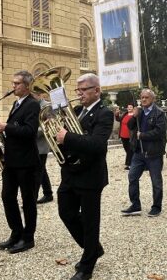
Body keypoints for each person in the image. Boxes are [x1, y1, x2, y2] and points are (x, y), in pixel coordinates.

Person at [55, 73, 113, 280]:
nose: (78, 93)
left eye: (83, 89)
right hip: (70, 172)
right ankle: (94, 248)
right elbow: (59, 128)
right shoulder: (77, 110)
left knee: (90, 221)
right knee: (66, 213)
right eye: (77, 90)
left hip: (90, 175)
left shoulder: (105, 114)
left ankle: (87, 266)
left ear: (96, 91)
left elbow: (97, 145)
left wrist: (67, 137)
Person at [0, 70, 40, 254]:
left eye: (17, 84)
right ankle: (16, 233)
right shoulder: (16, 103)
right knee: (7, 197)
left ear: (27, 86)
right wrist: (2, 131)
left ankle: (28, 238)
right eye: (13, 83)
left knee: (28, 201)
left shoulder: (32, 105)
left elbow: (30, 132)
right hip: (11, 160)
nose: (13, 86)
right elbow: (17, 130)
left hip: (27, 161)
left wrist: (8, 126)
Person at [121, 89, 167, 217]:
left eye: (146, 97)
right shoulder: (139, 112)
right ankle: (135, 205)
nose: (144, 99)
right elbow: (130, 126)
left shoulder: (159, 113)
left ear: (153, 99)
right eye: (142, 97)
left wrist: (143, 135)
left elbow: (160, 132)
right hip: (138, 152)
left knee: (156, 181)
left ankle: (156, 206)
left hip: (154, 152)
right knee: (132, 177)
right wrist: (134, 116)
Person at [34, 93, 54, 204]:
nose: (32, 95)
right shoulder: (32, 105)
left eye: (34, 93)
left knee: (38, 172)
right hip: (32, 143)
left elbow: (49, 126)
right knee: (41, 170)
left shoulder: (47, 106)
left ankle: (33, 198)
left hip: (41, 144)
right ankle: (48, 193)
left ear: (40, 94)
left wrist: (31, 131)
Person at [114, 104, 134, 170]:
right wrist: (116, 114)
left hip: (130, 136)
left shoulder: (135, 116)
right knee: (127, 149)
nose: (129, 108)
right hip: (123, 135)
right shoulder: (125, 114)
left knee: (130, 150)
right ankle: (132, 161)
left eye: (131, 107)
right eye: (128, 107)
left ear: (133, 108)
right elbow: (118, 119)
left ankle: (129, 164)